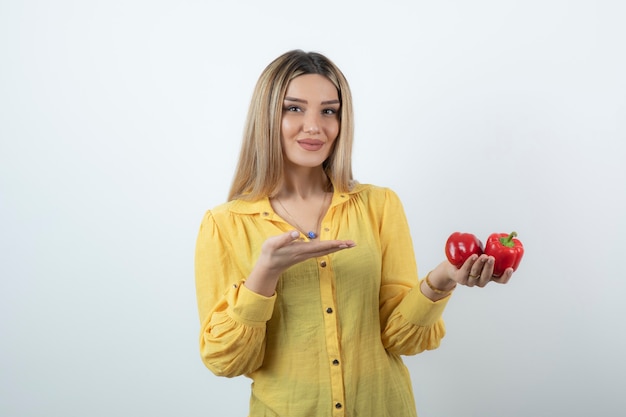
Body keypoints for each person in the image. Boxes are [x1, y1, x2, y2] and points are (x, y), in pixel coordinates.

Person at [194, 49, 514, 417]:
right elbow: (225, 360)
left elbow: (400, 338)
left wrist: (442, 279)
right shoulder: (223, 224)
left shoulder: (380, 206)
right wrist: (263, 277)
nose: (315, 126)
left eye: (329, 111)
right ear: (266, 117)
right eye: (294, 108)